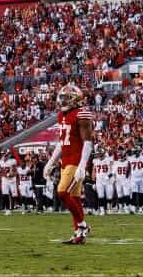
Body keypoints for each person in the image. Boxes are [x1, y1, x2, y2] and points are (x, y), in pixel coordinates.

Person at [51, 83, 94, 245]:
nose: (62, 101)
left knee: (62, 192)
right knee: (74, 198)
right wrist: (51, 162)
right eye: (61, 97)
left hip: (77, 160)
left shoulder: (81, 114)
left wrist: (83, 165)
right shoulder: (62, 115)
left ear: (75, 99)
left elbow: (88, 143)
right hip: (66, 160)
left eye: (66, 98)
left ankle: (83, 226)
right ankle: (79, 234)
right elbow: (62, 142)